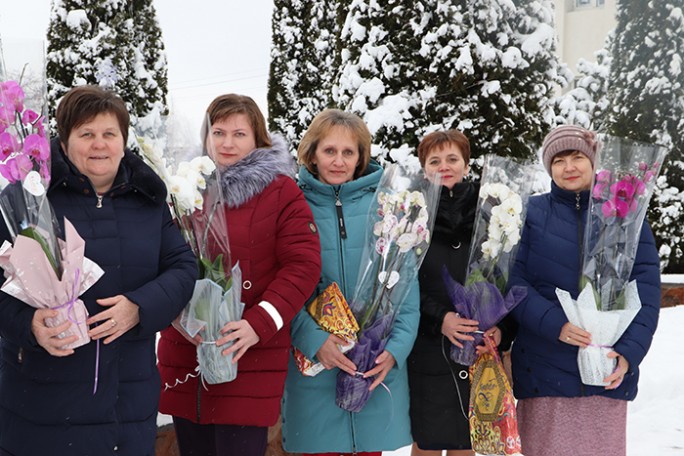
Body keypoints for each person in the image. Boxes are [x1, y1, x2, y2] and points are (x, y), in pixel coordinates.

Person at [0, 85, 198, 455]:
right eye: (86, 134)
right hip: (41, 405)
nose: (99, 144)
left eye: (109, 134)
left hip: (128, 403)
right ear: (63, 140)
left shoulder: (149, 201)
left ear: (124, 141)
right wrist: (28, 324)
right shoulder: (27, 198)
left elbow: (183, 267)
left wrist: (139, 307)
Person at [157, 94, 321, 456]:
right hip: (187, 353)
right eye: (218, 132)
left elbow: (303, 265)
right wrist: (177, 315)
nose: (227, 143)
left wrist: (257, 324)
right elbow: (163, 260)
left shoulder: (281, 192)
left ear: (257, 139)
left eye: (239, 133)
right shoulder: (183, 191)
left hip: (249, 355)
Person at [507, 125, 661, 456]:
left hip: (605, 370)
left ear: (593, 161)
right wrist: (555, 325)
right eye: (559, 160)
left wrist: (629, 353)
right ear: (549, 167)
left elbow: (646, 285)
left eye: (577, 157)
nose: (569, 167)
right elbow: (514, 281)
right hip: (544, 365)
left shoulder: (625, 213)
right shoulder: (531, 213)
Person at [281, 109, 420, 456]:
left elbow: (406, 290)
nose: (339, 161)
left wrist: (395, 351)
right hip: (315, 369)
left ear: (361, 157)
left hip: (373, 370)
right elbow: (282, 286)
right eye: (329, 151)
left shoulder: (388, 208)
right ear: (312, 153)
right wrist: (313, 339)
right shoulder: (290, 205)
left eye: (349, 152)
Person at [406, 130, 503, 456]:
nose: (444, 166)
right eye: (435, 160)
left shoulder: (492, 211)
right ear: (424, 168)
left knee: (467, 439)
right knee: (429, 440)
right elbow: (400, 284)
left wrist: (501, 327)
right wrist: (440, 318)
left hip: (478, 349)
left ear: (466, 163)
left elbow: (504, 276)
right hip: (429, 347)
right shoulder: (411, 213)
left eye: (452, 159)